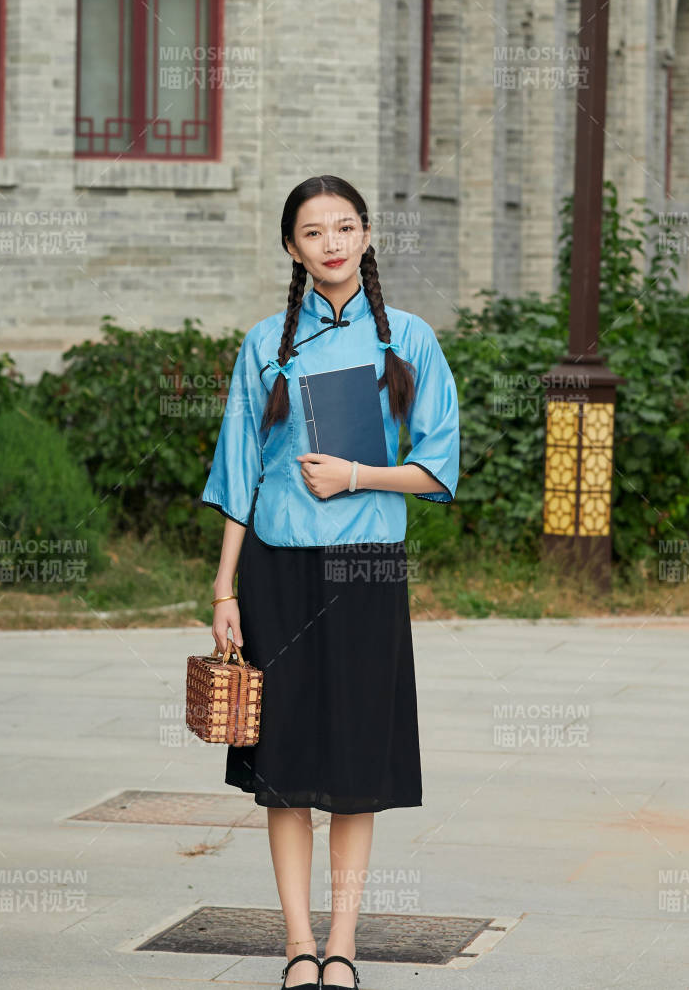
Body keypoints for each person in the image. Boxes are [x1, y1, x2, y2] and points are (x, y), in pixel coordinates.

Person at [199, 175, 461, 989]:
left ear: (367, 235)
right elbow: (238, 471)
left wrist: (356, 475)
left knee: (353, 768)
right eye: (313, 232)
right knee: (284, 768)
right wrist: (224, 589)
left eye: (345, 227)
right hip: (278, 569)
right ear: (292, 248)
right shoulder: (264, 345)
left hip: (366, 568)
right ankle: (297, 943)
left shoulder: (408, 339)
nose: (332, 243)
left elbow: (438, 466)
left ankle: (342, 943)